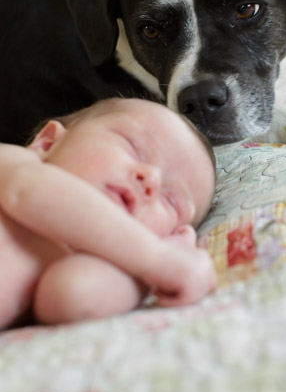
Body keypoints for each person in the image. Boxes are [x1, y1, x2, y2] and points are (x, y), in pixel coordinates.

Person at [0, 98, 217, 329]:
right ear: (48, 142)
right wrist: (158, 258)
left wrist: (148, 278)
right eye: (134, 148)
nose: (151, 180)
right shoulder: (15, 164)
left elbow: (73, 297)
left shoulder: (72, 260)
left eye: (172, 202)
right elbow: (28, 192)